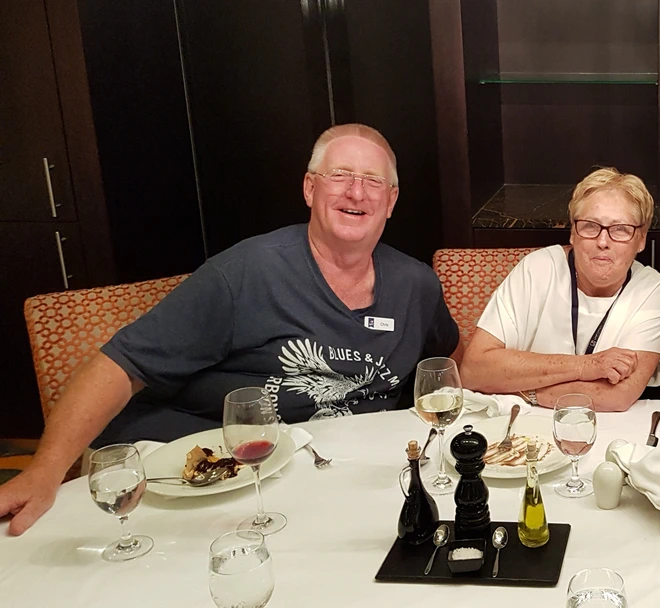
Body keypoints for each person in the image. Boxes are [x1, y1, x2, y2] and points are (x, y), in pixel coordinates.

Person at [0, 123, 459, 535]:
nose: (356, 192)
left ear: (391, 201)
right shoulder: (244, 274)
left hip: (340, 479)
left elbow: (449, 365)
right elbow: (120, 366)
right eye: (340, 175)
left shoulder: (414, 284)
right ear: (309, 188)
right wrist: (44, 471)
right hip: (207, 472)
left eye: (373, 181)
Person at [459, 168, 660, 411]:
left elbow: (617, 396)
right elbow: (473, 370)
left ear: (641, 239)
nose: (603, 241)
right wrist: (587, 366)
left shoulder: (652, 290)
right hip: (524, 422)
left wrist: (522, 389)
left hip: (607, 424)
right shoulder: (537, 268)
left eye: (620, 229)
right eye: (590, 226)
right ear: (573, 232)